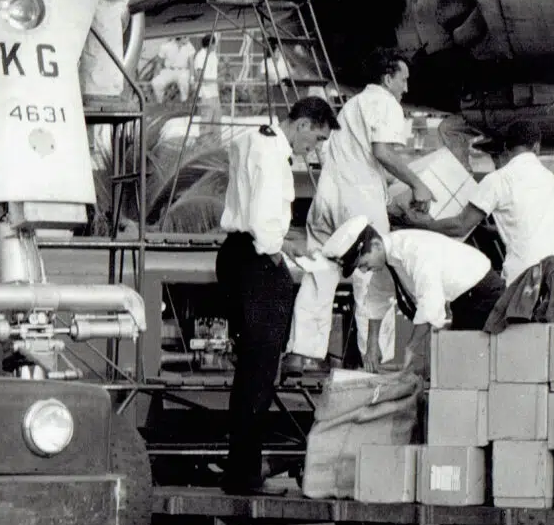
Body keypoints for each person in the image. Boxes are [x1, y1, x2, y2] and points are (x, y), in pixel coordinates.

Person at [285, 61, 418, 367]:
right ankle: (376, 360)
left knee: (319, 273)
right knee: (372, 279)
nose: (406, 88)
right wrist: (418, 185)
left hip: (327, 199)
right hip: (358, 206)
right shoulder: (385, 103)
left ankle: (303, 352)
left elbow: (359, 161)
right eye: (403, 80)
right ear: (388, 78)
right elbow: (382, 152)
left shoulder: (351, 106)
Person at [215, 115, 308, 493]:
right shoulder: (273, 152)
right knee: (260, 371)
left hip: (235, 255)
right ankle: (245, 473)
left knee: (250, 371)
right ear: (302, 124)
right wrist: (274, 251)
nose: (311, 149)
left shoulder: (252, 139)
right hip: (256, 260)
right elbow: (264, 213)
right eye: (314, 138)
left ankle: (242, 468)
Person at [327, 215, 501, 352]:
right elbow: (376, 299)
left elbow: (430, 305)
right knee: (457, 364)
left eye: (364, 264)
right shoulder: (386, 258)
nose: (364, 271)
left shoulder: (413, 251)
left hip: (483, 293)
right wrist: (372, 345)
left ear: (376, 244)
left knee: (466, 363)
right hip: (464, 299)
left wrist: (411, 348)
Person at [458, 135, 554, 286]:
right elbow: (534, 225)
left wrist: (422, 223)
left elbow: (460, 226)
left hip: (524, 277)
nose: (495, 164)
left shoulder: (499, 179)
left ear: (506, 151)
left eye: (496, 158)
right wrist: (495, 230)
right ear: (536, 147)